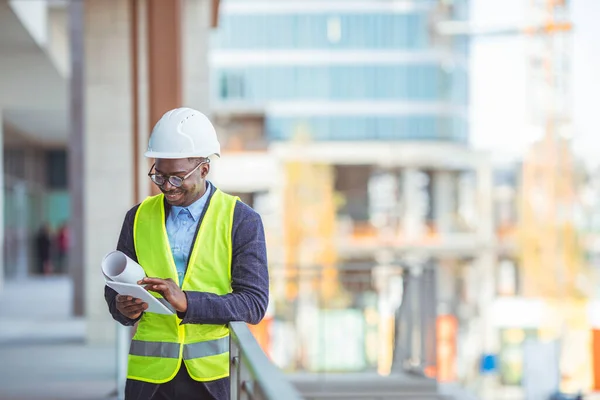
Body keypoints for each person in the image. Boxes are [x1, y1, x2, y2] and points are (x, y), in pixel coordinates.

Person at [104, 107, 269, 400]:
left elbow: (254, 303)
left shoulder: (241, 220)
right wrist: (122, 307)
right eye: (159, 175)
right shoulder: (137, 217)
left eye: (178, 178)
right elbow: (113, 292)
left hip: (210, 381)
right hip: (147, 380)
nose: (167, 186)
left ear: (204, 169)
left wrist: (188, 302)